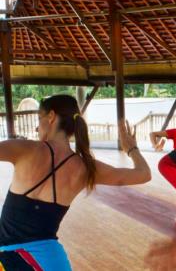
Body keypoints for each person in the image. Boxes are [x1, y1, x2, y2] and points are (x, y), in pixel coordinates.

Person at [0, 95, 151, 270]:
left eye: (39, 118)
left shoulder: (25, 149)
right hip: (51, 262)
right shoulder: (86, 167)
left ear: (51, 116)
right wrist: (131, 148)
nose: (36, 127)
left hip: (11, 257)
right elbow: (144, 174)